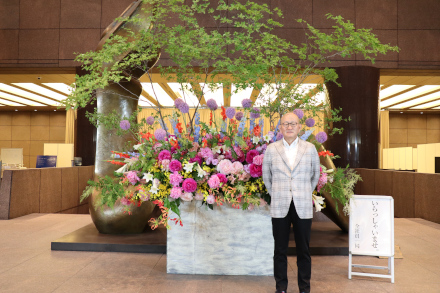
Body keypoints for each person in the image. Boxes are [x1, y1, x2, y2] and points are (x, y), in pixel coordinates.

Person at [262, 112, 320, 293]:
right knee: (280, 250)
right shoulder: (272, 149)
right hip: (280, 205)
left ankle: (304, 288)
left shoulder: (310, 148)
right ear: (280, 128)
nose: (289, 127)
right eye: (285, 124)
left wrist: (303, 192)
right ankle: (281, 288)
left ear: (299, 127)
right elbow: (267, 177)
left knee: (304, 250)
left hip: (302, 204)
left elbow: (315, 175)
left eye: (293, 123)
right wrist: (278, 193)